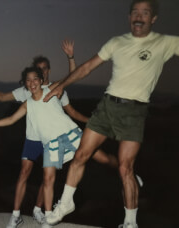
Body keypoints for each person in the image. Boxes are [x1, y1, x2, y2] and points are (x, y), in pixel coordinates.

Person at [43, 1, 179, 228]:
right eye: (135, 12)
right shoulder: (117, 42)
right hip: (107, 107)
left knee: (126, 168)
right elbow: (87, 67)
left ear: (153, 18)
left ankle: (130, 223)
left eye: (145, 13)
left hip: (134, 112)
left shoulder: (165, 43)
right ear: (129, 17)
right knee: (80, 156)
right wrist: (62, 84)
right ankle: (66, 204)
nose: (139, 17)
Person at [0, 40, 102, 228]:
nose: (40, 75)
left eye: (44, 69)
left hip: (57, 138)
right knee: (30, 174)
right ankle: (18, 216)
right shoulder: (26, 94)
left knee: (50, 177)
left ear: (44, 74)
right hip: (35, 140)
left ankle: (41, 211)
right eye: (35, 72)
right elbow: (5, 105)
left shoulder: (55, 89)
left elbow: (73, 77)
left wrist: (70, 57)